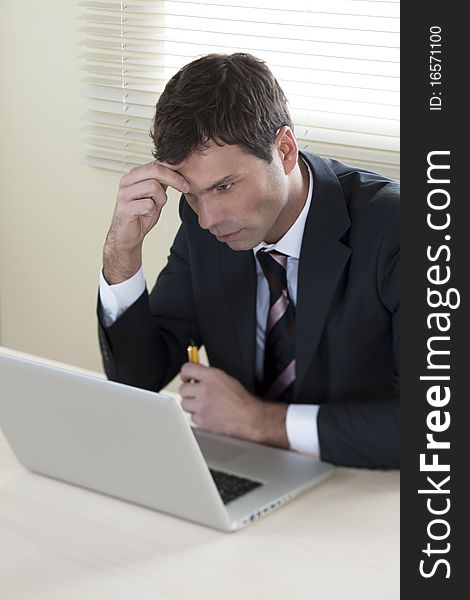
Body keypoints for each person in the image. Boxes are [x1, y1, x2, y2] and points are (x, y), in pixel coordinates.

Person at [98, 53, 399, 469]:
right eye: (192, 193)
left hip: (368, 487)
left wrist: (258, 421)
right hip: (249, 473)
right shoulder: (207, 222)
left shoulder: (399, 231)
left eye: (224, 186)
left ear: (285, 150)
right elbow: (139, 378)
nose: (207, 219)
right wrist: (121, 255)